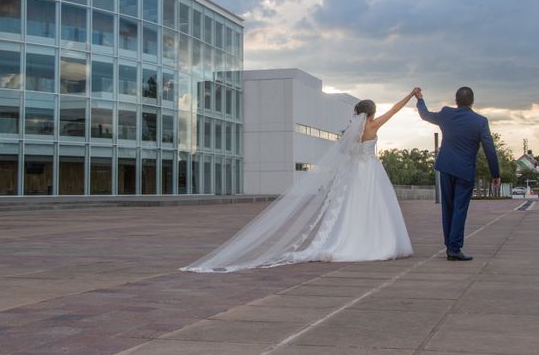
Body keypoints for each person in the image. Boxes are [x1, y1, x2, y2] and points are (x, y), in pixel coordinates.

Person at [181, 90, 419, 273]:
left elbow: (346, 153)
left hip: (355, 172)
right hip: (370, 171)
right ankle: (372, 242)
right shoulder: (373, 125)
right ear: (372, 113)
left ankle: (346, 241)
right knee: (373, 207)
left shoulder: (352, 130)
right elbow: (396, 109)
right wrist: (410, 95)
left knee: (350, 208)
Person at [416, 87, 500, 261]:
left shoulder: (446, 114)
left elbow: (425, 115)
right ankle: (454, 248)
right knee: (459, 209)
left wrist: (420, 99)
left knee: (447, 208)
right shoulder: (480, 121)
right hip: (465, 170)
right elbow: (489, 149)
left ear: (456, 100)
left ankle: (450, 246)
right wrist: (495, 174)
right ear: (472, 101)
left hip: (446, 167)